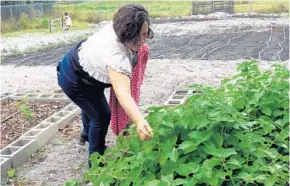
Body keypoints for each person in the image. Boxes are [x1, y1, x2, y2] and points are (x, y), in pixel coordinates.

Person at [57, 4, 154, 167]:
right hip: (73, 79)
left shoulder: (119, 25)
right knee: (101, 115)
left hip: (82, 67)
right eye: (141, 35)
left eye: (147, 33)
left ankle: (86, 135)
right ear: (128, 34)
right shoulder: (116, 56)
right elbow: (123, 94)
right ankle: (95, 163)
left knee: (92, 105)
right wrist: (139, 121)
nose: (144, 40)